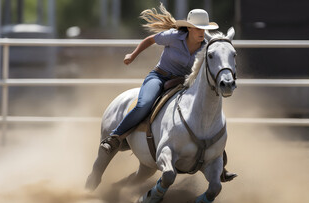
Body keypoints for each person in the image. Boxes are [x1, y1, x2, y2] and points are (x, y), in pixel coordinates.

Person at [101, 4, 236, 181]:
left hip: (184, 82)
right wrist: (132, 55)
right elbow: (150, 40)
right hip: (160, 77)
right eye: (197, 28)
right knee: (144, 104)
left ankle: (218, 162)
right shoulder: (174, 37)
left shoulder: (207, 46)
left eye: (204, 28)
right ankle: (115, 138)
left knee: (203, 114)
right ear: (188, 28)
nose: (201, 32)